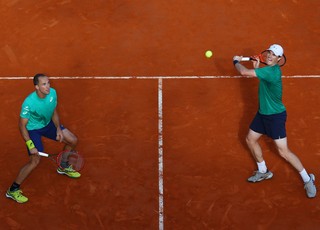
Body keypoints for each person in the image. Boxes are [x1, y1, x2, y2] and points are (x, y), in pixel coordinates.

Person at [233, 44, 316, 198]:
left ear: (279, 59)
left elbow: (244, 72)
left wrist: (236, 62)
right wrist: (257, 69)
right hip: (262, 114)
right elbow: (261, 76)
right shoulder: (268, 71)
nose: (269, 56)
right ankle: (263, 170)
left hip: (275, 117)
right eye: (269, 53)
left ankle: (307, 178)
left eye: (274, 55)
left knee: (283, 151)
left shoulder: (271, 72)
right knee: (250, 139)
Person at [6, 74, 81, 203]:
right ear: (37, 87)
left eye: (48, 83)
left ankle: (63, 165)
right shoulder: (29, 103)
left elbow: (53, 111)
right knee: (34, 160)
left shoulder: (52, 93)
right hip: (32, 129)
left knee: (72, 140)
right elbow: (22, 125)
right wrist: (30, 145)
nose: (48, 86)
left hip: (47, 125)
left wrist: (58, 128)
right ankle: (13, 190)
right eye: (44, 84)